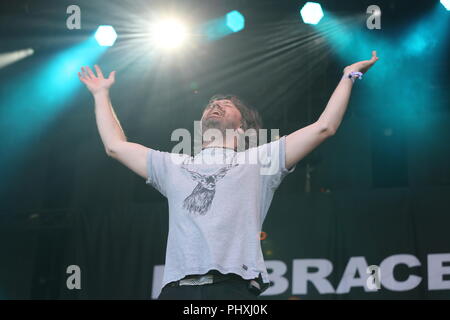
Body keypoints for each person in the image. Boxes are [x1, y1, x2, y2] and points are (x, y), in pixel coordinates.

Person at [78, 51, 378, 300]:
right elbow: (115, 147)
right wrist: (101, 94)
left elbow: (324, 127)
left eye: (226, 105)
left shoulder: (259, 160)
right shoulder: (172, 165)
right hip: (176, 289)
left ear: (242, 128)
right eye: (211, 103)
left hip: (233, 288)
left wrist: (349, 75)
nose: (216, 105)